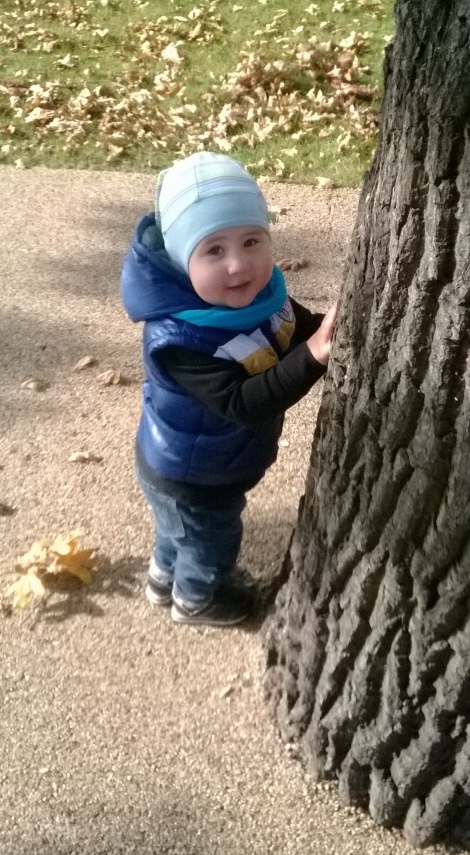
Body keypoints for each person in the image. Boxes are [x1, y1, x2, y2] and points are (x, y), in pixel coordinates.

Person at [121, 150, 337, 627]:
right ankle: (197, 600)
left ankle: (163, 579)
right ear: (181, 258)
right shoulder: (180, 340)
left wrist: (320, 330)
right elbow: (241, 402)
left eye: (252, 240)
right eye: (213, 250)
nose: (239, 264)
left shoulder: (258, 295)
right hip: (189, 474)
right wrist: (315, 357)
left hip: (209, 462)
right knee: (209, 540)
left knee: (179, 533)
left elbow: (290, 325)